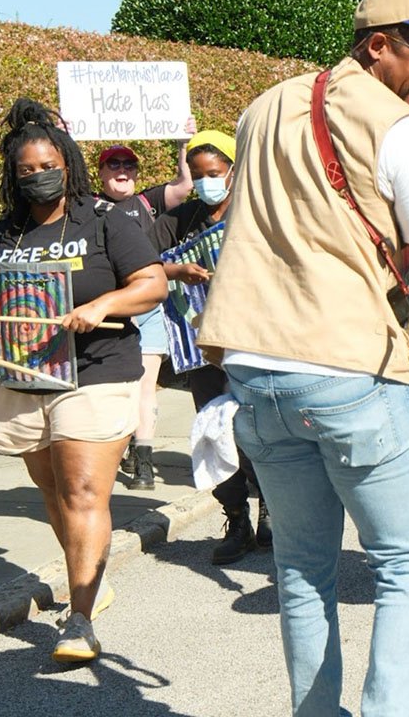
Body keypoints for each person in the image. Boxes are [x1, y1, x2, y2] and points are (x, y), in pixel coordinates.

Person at [196, 0, 409, 716]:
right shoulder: (400, 126)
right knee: (404, 564)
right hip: (350, 361)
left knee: (301, 568)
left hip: (254, 364)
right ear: (378, 45)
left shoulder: (262, 106)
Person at [0, 99, 166, 662]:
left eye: (47, 166)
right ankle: (91, 580)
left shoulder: (104, 218)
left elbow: (152, 284)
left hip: (97, 372)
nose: (38, 176)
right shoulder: (6, 232)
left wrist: (102, 305)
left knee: (81, 490)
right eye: (26, 170)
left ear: (68, 163)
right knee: (53, 491)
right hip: (23, 377)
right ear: (13, 175)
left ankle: (79, 619)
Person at [150, 129, 270, 564]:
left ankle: (271, 508)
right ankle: (236, 518)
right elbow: (141, 263)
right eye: (198, 175)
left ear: (233, 170)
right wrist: (175, 270)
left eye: (214, 173)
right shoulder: (178, 220)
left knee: (260, 427)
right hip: (201, 347)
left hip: (255, 340)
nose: (206, 182)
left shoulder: (255, 209)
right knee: (214, 428)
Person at [94, 126, 194, 490]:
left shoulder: (147, 202)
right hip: (110, 309)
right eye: (114, 164)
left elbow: (184, 185)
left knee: (145, 385)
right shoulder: (89, 207)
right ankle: (118, 448)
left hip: (148, 308)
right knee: (112, 387)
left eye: (129, 165)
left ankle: (144, 463)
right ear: (100, 173)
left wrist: (182, 143)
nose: (122, 170)